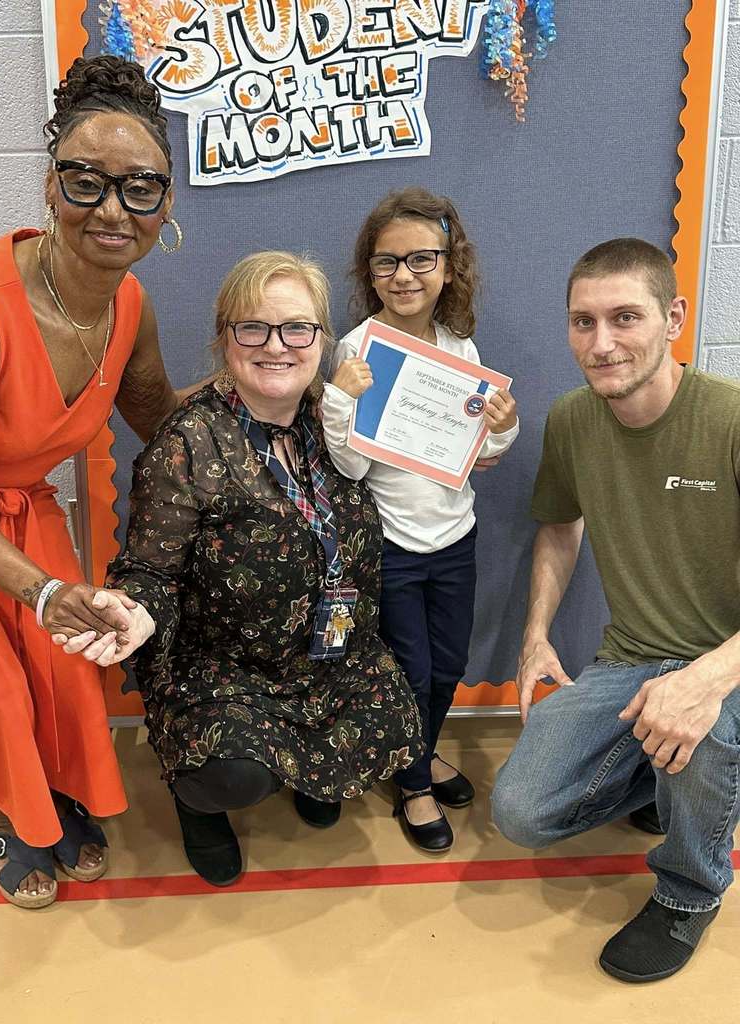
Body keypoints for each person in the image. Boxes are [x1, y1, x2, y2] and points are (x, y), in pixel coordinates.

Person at [64, 251, 424, 887]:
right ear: (224, 339)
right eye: (253, 328)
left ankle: (312, 768)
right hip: (225, 667)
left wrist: (484, 445)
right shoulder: (188, 441)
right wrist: (136, 614)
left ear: (321, 340)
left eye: (297, 328)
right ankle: (193, 799)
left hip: (330, 653)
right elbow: (151, 568)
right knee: (229, 775)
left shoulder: (341, 420)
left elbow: (429, 471)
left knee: (392, 716)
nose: (276, 346)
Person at [0, 54, 201, 908]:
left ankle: (58, 794)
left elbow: (164, 419)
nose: (113, 209)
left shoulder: (129, 304)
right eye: (87, 182)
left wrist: (275, 393)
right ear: (48, 187)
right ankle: (10, 809)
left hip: (23, 513)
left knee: (68, 670)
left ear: (166, 203)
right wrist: (35, 589)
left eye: (140, 187)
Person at [491, 237, 740, 983]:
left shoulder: (729, 419)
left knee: (709, 738)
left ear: (674, 318)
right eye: (582, 322)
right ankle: (671, 782)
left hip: (730, 660)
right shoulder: (572, 419)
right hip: (630, 659)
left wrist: (706, 680)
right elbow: (560, 526)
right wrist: (535, 636)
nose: (601, 344)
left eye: (625, 317)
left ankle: (690, 893)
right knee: (522, 814)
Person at [321, 188, 518, 851]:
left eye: (420, 259)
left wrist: (502, 430)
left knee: (447, 666)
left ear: (448, 264)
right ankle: (413, 785)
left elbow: (478, 456)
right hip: (393, 545)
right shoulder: (357, 347)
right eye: (386, 263)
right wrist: (337, 403)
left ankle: (422, 753)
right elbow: (347, 469)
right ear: (368, 271)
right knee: (407, 670)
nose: (403, 276)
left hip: (454, 538)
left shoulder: (459, 345)